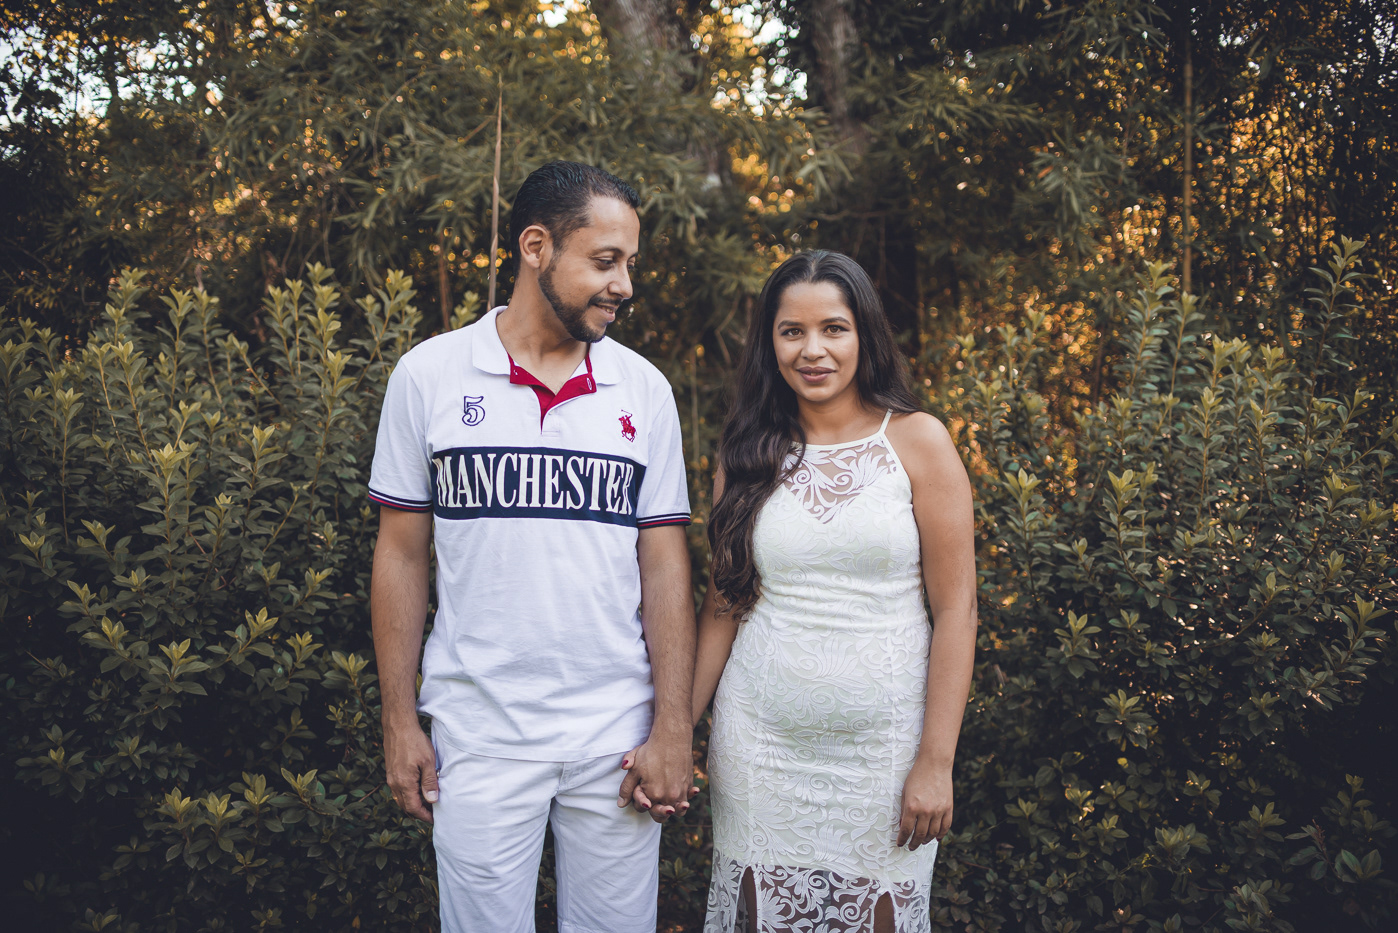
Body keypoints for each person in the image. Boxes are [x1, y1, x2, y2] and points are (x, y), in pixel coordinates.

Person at [368, 160, 696, 933]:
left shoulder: (644, 390)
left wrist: (673, 726)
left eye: (630, 264)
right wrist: (399, 719)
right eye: (605, 261)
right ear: (537, 246)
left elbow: (664, 565)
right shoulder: (428, 375)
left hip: (617, 737)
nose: (623, 285)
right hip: (479, 734)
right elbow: (401, 555)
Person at [692, 251, 978, 932]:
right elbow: (725, 604)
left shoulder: (918, 441)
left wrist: (936, 760)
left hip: (885, 756)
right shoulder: (745, 453)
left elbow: (957, 609)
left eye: (833, 329)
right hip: (759, 748)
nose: (812, 350)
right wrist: (676, 730)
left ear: (864, 334)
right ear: (770, 343)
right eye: (792, 331)